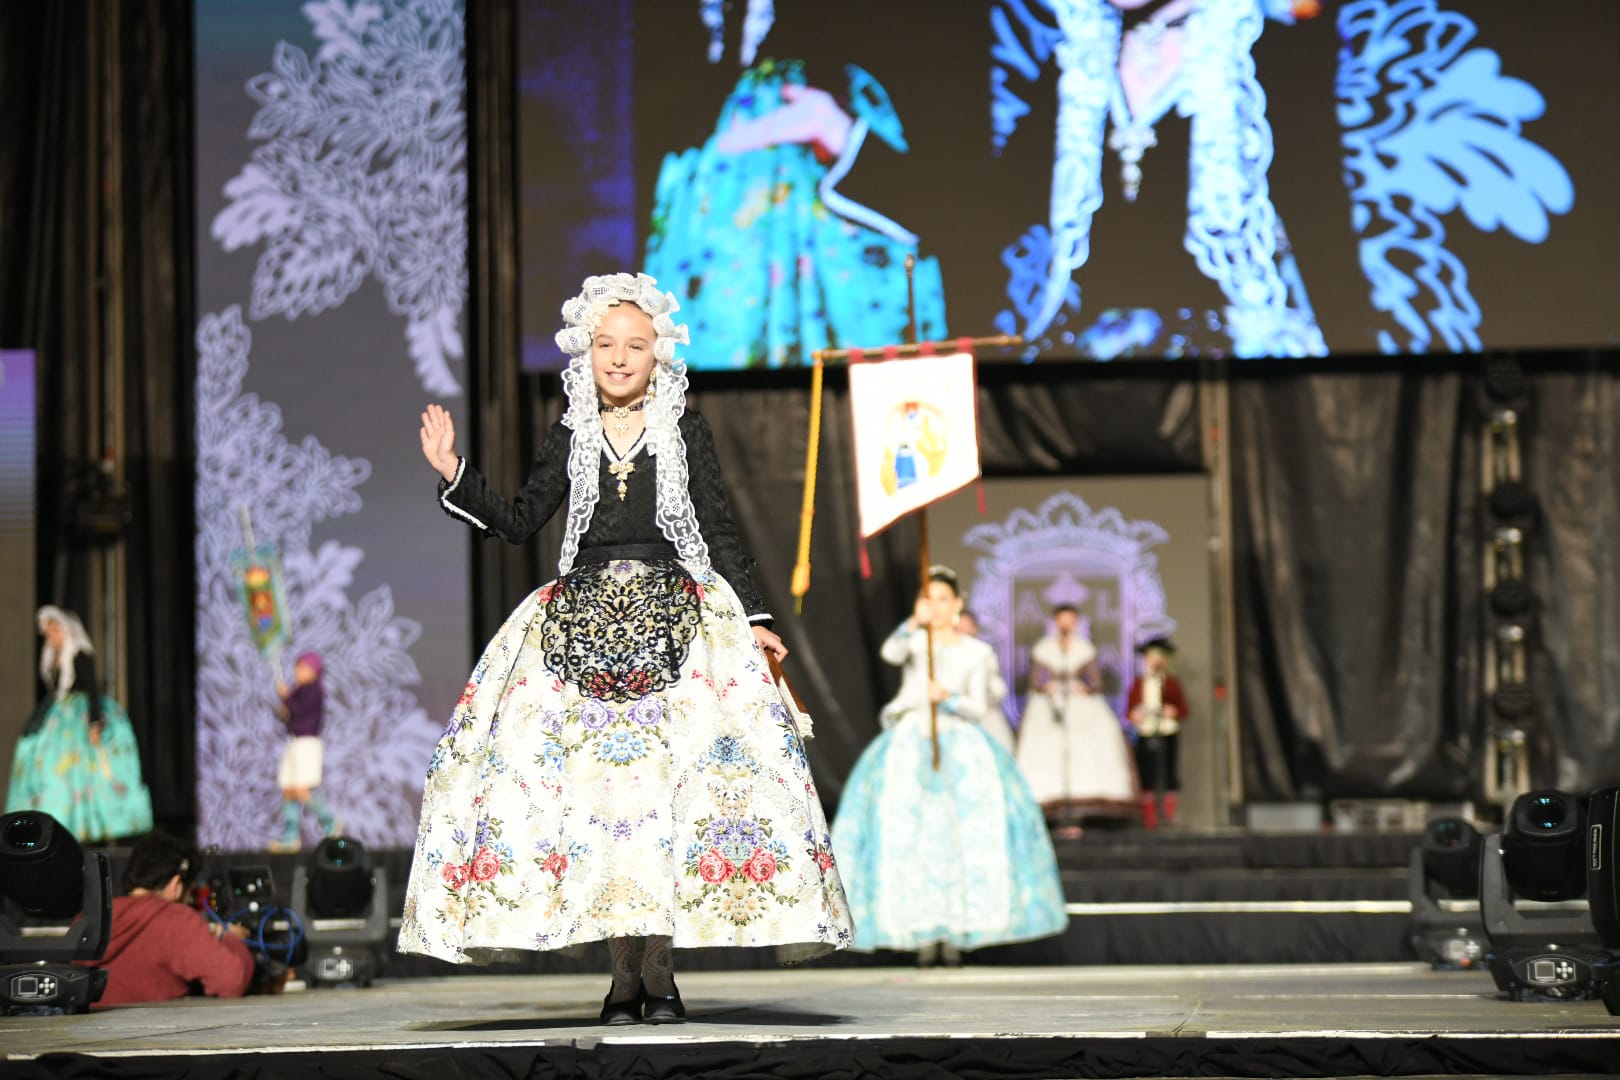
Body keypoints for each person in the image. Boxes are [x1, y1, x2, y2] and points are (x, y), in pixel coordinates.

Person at [399, 272, 851, 1025]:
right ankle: (620, 980)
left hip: (676, 624)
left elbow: (720, 529)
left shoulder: (685, 432)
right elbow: (516, 520)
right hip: (577, 631)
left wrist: (757, 616)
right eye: (606, 344)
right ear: (586, 352)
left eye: (634, 345)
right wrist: (454, 473)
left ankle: (662, 974)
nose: (618, 358)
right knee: (600, 805)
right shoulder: (568, 435)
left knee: (660, 800)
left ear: (658, 355)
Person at [831, 566, 1067, 966]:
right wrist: (912, 623)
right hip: (910, 741)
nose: (937, 607)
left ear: (957, 604)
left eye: (943, 599)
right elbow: (890, 653)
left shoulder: (977, 652)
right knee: (910, 834)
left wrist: (949, 698)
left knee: (963, 836)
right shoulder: (914, 641)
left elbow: (980, 705)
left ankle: (958, 930)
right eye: (928, 599)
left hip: (960, 745)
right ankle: (918, 930)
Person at [5, 606, 152, 843]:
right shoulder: (52, 658)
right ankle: (56, 826)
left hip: (79, 720)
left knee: (86, 773)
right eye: (48, 633)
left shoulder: (79, 654)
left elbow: (93, 691)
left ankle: (88, 827)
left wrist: (95, 722)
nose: (50, 637)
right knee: (52, 770)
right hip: (59, 719)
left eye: (54, 631)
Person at [84, 831, 255, 1007]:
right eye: (191, 894)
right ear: (177, 886)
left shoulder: (89, 917)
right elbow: (232, 981)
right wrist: (230, 938)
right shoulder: (174, 919)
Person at [1014, 605, 1138, 836]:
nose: (1066, 625)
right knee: (1047, 751)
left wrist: (1083, 687)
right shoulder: (1044, 648)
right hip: (1050, 705)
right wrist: (1046, 686)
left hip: (1079, 705)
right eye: (1062, 620)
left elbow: (1096, 682)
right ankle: (1053, 812)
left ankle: (1079, 812)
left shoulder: (1084, 648)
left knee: (1086, 750)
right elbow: (1034, 680)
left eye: (1070, 620)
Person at [268, 652, 340, 853]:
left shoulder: (315, 690)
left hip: (307, 743)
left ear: (313, 671)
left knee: (300, 789)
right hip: (294, 742)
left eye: (301, 668)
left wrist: (286, 696)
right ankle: (290, 836)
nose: (296, 672)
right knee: (288, 789)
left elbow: (301, 710)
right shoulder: (299, 690)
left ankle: (330, 822)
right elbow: (291, 716)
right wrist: (285, 708)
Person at [1127, 638, 1191, 828]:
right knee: (1147, 775)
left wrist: (1173, 711)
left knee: (1169, 774)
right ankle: (1150, 820)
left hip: (1167, 731)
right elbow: (1128, 711)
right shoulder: (1139, 683)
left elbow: (1184, 710)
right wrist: (1136, 714)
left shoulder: (1171, 683)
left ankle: (1168, 817)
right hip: (1146, 732)